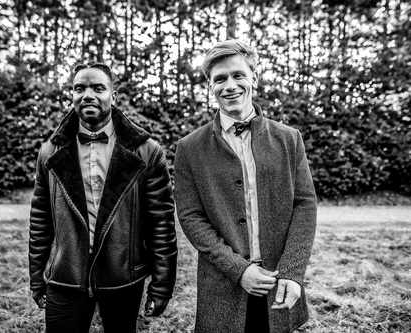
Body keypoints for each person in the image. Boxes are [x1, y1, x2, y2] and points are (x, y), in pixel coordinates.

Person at [174, 39, 317, 333]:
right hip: (223, 283)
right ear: (210, 87)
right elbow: (190, 216)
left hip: (278, 278)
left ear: (254, 76)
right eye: (219, 79)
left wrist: (292, 273)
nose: (230, 85)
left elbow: (304, 204)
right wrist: (238, 269)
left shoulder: (289, 139)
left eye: (238, 75)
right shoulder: (189, 148)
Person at [28, 62, 178, 333]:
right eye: (79, 88)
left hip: (123, 276)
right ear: (72, 95)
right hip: (66, 276)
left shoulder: (146, 151)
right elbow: (40, 218)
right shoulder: (49, 152)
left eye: (98, 88)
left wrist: (162, 285)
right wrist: (37, 277)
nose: (87, 95)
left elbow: (161, 223)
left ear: (113, 95)